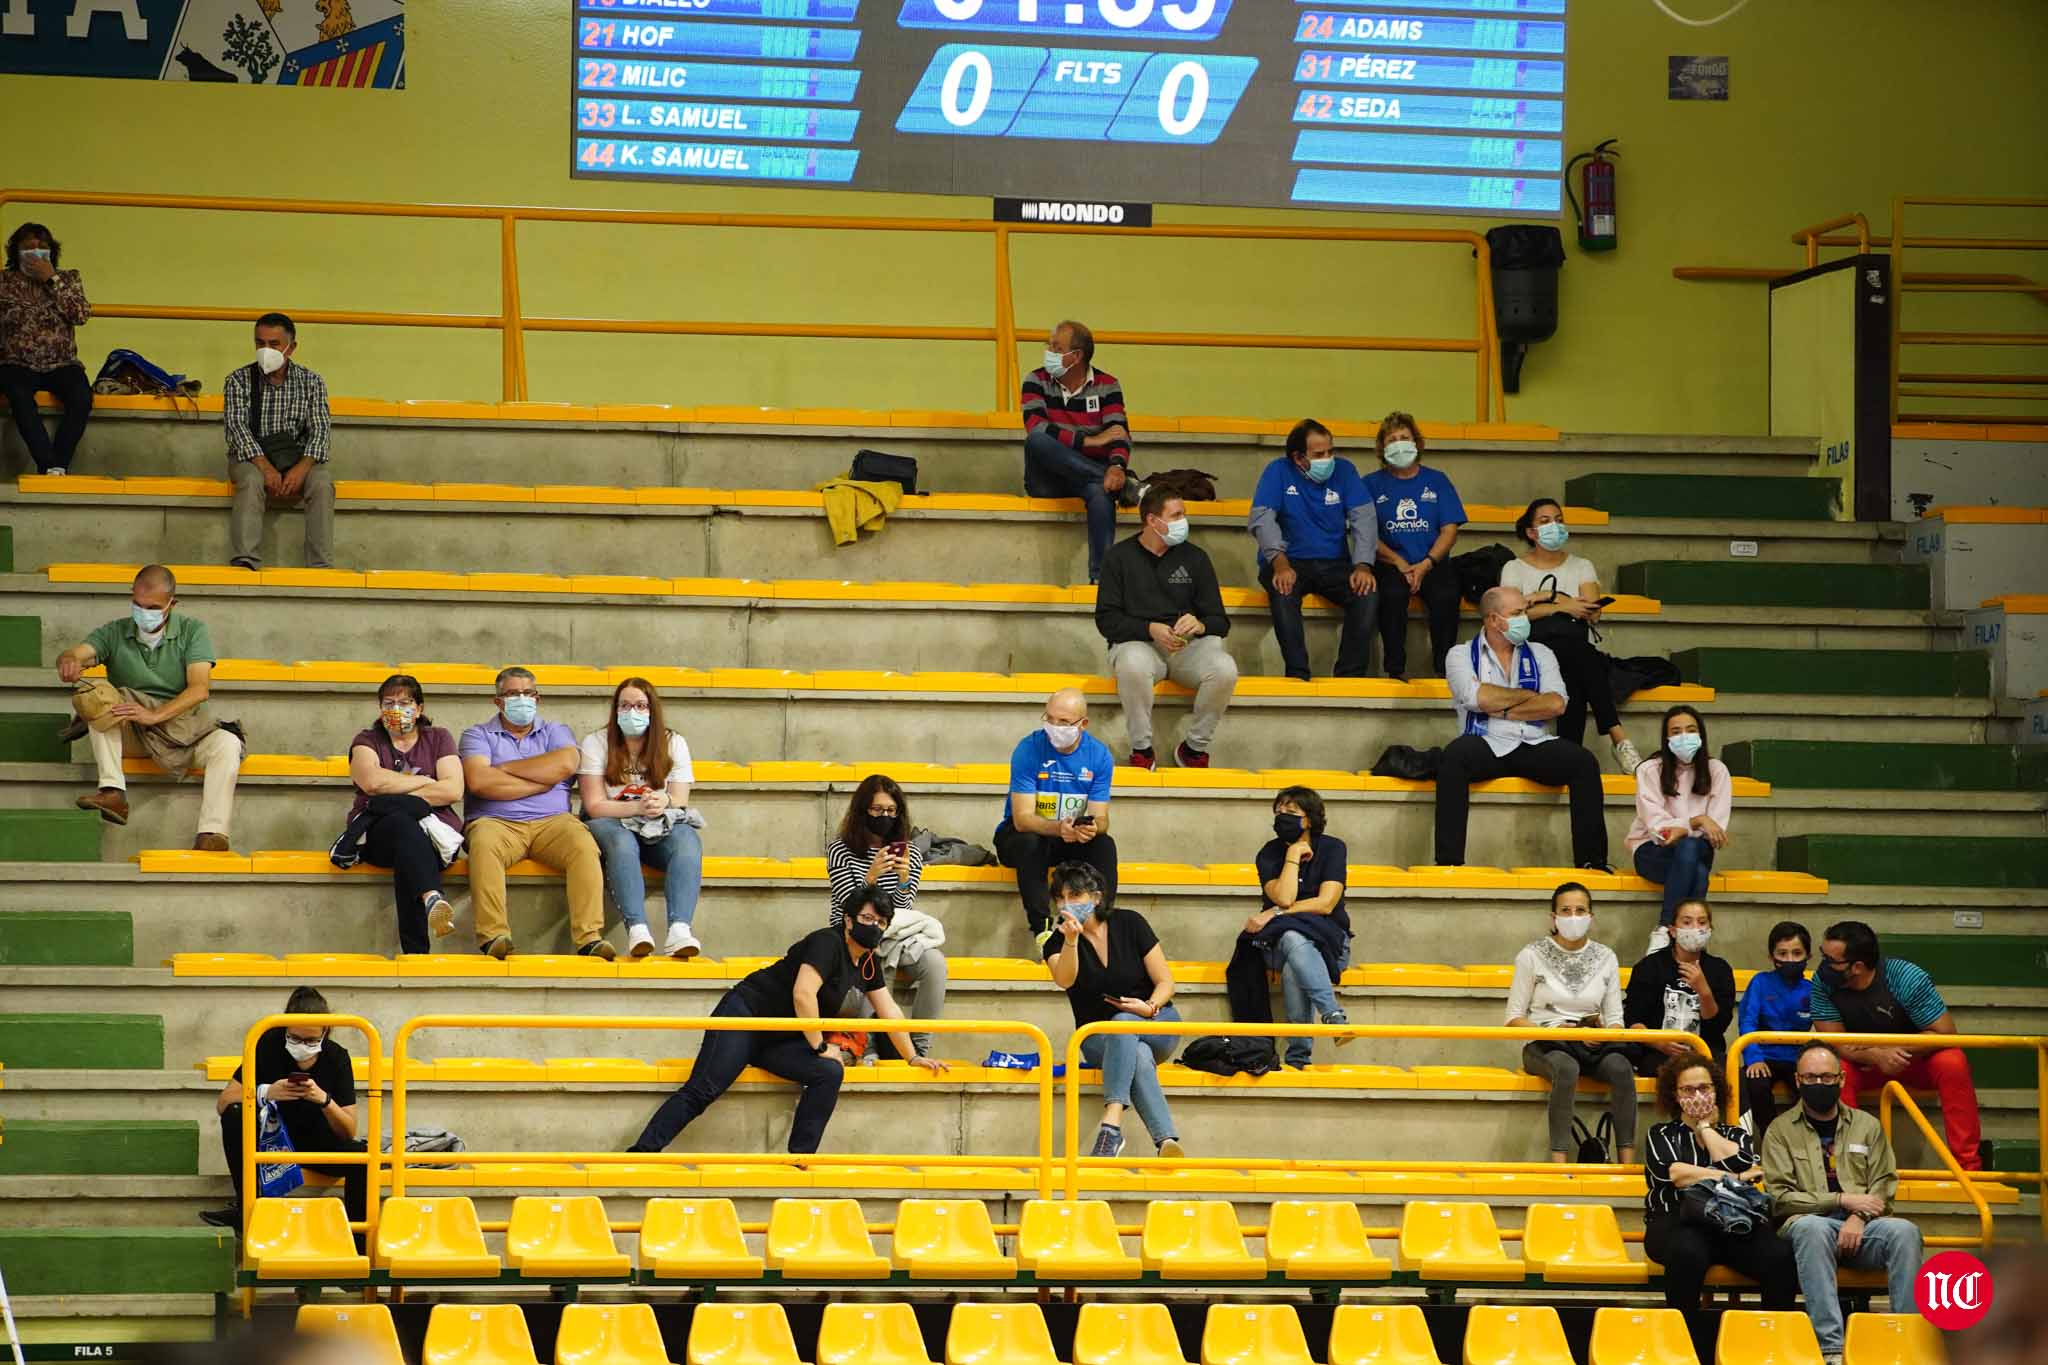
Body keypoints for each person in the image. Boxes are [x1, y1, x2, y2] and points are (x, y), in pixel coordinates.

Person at [627, 886, 945, 1154]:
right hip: (747, 1016)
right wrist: (820, 1045)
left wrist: (913, 1056)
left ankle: (796, 1163)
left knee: (828, 1073)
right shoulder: (827, 942)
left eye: (880, 922)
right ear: (848, 920)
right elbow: (803, 995)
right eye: (866, 918)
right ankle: (639, 1156)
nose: (873, 926)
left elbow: (889, 1010)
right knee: (703, 1090)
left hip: (783, 1036)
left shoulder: (868, 962)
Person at [55, 564, 244, 851]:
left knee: (228, 743)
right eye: (137, 604)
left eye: (152, 606)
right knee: (96, 701)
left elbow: (199, 688)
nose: (144, 612)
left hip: (180, 732)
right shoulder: (115, 631)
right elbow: (77, 653)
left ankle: (212, 834)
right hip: (131, 730)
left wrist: (154, 714)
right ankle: (113, 792)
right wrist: (68, 660)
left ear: (171, 604)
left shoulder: (193, 631)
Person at [1765, 1040, 1925, 1365]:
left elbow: (1883, 1184)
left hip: (1863, 1230)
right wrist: (1840, 1199)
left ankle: (1907, 1341)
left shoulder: (1867, 1126)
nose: (1819, 1084)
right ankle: (1831, 1350)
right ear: (1797, 1081)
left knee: (1905, 1232)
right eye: (1810, 1078)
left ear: (1841, 1079)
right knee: (1812, 1228)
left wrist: (1858, 1217)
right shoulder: (1779, 1131)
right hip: (1809, 1229)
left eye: (1826, 1077)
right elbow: (1780, 1198)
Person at [1436, 585, 1608, 870]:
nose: (1524, 619)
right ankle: (1449, 863)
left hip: (1533, 742)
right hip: (1484, 741)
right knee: (1453, 757)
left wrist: (1501, 707)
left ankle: (1592, 862)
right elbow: (1475, 697)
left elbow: (1556, 704)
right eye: (1517, 614)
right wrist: (1529, 696)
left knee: (1584, 762)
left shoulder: (1541, 653)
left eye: (1524, 612)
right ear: (1493, 620)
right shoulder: (1460, 654)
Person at [459, 667, 610, 960]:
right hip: (495, 822)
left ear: (537, 698)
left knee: (583, 845)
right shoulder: (477, 735)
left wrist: (502, 769)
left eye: (528, 693)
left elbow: (566, 764)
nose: (522, 699)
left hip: (554, 823)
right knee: (484, 845)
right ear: (498, 701)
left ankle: (589, 938)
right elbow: (479, 781)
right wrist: (542, 781)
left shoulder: (556, 731)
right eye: (513, 694)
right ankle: (493, 936)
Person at [1814, 920, 1982, 1170]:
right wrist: (1876, 1055)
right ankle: (1846, 1167)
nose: (1824, 965)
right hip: (1863, 1063)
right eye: (1823, 956)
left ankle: (1968, 1166)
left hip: (1913, 1060)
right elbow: (1835, 1041)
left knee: (1952, 1061)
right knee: (1835, 1069)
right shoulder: (1822, 983)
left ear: (1857, 966)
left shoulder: (1904, 977)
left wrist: (1895, 1051)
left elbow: (1945, 1033)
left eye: (1832, 961)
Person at [1043, 862, 1184, 1160]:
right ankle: (1166, 1140)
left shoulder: (1131, 923)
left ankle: (1111, 1124)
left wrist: (1149, 1007)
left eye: (1076, 895)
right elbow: (1065, 979)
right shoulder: (1056, 942)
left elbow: (1166, 982)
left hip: (1157, 1021)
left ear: (1096, 897)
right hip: (1097, 1037)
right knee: (1134, 1048)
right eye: (1061, 897)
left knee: (1125, 1025)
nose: (1068, 903)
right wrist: (1071, 941)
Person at [200, 986, 366, 1235]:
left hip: (317, 1139)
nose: (302, 1045)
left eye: (311, 1040)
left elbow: (349, 1130)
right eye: (295, 1038)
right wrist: (265, 1092)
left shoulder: (337, 1057)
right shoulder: (267, 1044)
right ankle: (247, 1209)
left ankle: (358, 1239)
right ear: (285, 1030)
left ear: (325, 1033)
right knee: (236, 1114)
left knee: (361, 1156)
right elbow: (224, 1102)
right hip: (273, 1139)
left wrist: (324, 1100)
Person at [1641, 1053, 1799, 1311]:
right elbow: (1676, 1175)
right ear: (1675, 1094)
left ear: (1716, 1090)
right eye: (1688, 1090)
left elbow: (1740, 1162)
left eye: (1704, 1088)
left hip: (1731, 1219)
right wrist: (1734, 1178)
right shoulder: (1661, 1133)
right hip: (1676, 1220)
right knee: (1687, 1254)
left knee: (1779, 1256)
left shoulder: (1736, 1134)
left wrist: (1705, 1128)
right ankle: (1686, 1341)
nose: (1697, 1095)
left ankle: (1773, 1337)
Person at [1097, 484, 1237, 769]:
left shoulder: (1195, 558)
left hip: (1189, 649)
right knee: (1132, 663)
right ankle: (1142, 748)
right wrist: (1149, 628)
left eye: (1183, 514)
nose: (1183, 522)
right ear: (1152, 520)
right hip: (1140, 645)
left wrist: (1199, 624)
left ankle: (1194, 748)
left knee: (1225, 669)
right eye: (1176, 516)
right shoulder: (1118, 557)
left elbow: (1220, 621)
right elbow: (1107, 620)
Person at [1500, 498, 1641, 771]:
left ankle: (1569, 756)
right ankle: (1617, 738)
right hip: (1531, 647)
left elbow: (1593, 611)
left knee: (1574, 666)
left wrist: (1540, 602)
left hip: (1572, 649)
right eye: (1545, 521)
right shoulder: (1514, 568)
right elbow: (1511, 614)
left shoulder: (1581, 565)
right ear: (1531, 532)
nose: (1555, 525)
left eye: (1559, 519)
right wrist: (1561, 603)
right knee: (1582, 657)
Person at [1506, 883, 1636, 1164]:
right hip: (1545, 1043)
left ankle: (1627, 1163)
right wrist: (1550, 1031)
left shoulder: (1606, 957)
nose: (1573, 916)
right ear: (1553, 917)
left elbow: (1616, 1020)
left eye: (1580, 910)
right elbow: (1514, 1018)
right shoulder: (1530, 955)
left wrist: (1601, 1034)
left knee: (1622, 1068)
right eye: (1566, 911)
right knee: (1566, 1067)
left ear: (1591, 916)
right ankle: (1559, 1163)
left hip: (1592, 1044)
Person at [577, 676, 704, 960]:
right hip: (610, 820)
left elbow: (680, 798)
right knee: (622, 844)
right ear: (615, 709)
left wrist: (664, 800)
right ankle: (637, 928)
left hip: (656, 821)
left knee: (687, 840)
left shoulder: (674, 742)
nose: (631, 712)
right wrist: (636, 809)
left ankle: (679, 929)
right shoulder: (596, 742)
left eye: (640, 705)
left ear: (652, 710)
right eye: (624, 706)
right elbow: (595, 805)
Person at [341, 674, 464, 955]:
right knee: (400, 825)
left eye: (405, 702)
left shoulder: (439, 738)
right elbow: (371, 782)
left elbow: (454, 789)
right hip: (377, 836)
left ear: (419, 708)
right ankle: (431, 897)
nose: (396, 709)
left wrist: (394, 794)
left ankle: (417, 945)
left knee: (405, 831)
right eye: (389, 703)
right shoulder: (367, 740)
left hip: (435, 835)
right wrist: (429, 783)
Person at [825, 775, 947, 1057]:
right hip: (853, 933)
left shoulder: (910, 853)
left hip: (894, 933)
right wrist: (871, 877)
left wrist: (903, 879)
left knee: (935, 964)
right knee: (871, 955)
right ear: (862, 811)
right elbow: (848, 905)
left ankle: (919, 1045)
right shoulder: (840, 850)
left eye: (891, 811)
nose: (885, 816)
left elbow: (903, 909)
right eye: (877, 810)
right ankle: (866, 1044)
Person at [1249, 418, 1378, 680]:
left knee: (1368, 593)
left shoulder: (1345, 471)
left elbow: (1364, 518)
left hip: (1334, 564)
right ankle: (1297, 674)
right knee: (1282, 590)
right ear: (1298, 457)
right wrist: (1280, 563)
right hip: (1288, 561)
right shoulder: (1278, 471)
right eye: (1319, 454)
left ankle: (1349, 676)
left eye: (1330, 451)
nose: (1328, 458)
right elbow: (1262, 518)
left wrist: (1363, 564)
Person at [994, 687, 1119, 942]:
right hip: (1022, 835)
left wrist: (1092, 828)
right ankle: (1042, 931)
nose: (1054, 726)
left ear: (1082, 724)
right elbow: (1022, 818)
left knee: (1104, 845)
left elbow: (1102, 818)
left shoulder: (1099, 756)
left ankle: (1101, 925)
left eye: (1063, 722)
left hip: (1070, 836)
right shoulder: (1029, 749)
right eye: (1049, 718)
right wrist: (1058, 828)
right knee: (1030, 842)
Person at [1246, 786, 1351, 1069]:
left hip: (1329, 942)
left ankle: (1298, 1057)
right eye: (1279, 811)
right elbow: (1284, 896)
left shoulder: (1332, 848)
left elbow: (1327, 904)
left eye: (1291, 812)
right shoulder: (1269, 854)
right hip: (1275, 946)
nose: (1282, 816)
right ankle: (1332, 1016)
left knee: (1295, 953)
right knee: (1292, 937)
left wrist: (1275, 913)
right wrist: (1293, 856)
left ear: (1310, 819)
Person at [1022, 320, 1131, 585]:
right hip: (1046, 479)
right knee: (1036, 441)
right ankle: (1124, 486)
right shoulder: (1035, 380)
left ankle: (1100, 582)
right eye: (1048, 345)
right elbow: (1037, 427)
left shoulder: (1108, 385)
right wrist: (1088, 442)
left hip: (1086, 478)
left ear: (1077, 355)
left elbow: (1119, 434)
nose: (1049, 351)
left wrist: (1117, 467)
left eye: (1056, 347)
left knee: (1101, 490)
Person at [222, 312, 333, 572]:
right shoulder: (238, 380)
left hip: (297, 457)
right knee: (250, 481)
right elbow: (237, 430)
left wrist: (302, 468)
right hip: (251, 458)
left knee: (323, 483)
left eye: (274, 344)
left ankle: (321, 566)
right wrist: (265, 466)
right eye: (260, 343)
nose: (266, 350)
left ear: (291, 347)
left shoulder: (312, 382)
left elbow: (320, 432)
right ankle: (246, 561)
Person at [1363, 412, 1464, 678]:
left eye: (1404, 438)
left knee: (1446, 597)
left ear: (1416, 443)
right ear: (1382, 448)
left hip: (1433, 562)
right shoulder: (1370, 484)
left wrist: (1426, 564)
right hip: (1390, 563)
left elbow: (1449, 530)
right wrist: (1399, 562)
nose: (1398, 443)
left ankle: (1446, 673)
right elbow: (1366, 534)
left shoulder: (1437, 480)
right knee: (1392, 596)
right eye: (1391, 439)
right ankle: (1395, 670)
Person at [1626, 705, 1731, 954]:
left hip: (1699, 848)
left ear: (1702, 735)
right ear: (1666, 738)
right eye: (1676, 731)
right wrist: (1695, 821)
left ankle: (1664, 928)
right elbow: (1659, 829)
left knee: (1692, 847)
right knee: (1698, 869)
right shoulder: (1649, 769)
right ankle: (1693, 936)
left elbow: (1715, 831)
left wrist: (1688, 828)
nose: (1684, 736)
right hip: (1652, 853)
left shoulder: (1717, 771)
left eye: (1690, 730)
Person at [0, 222, 92, 477]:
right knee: (18, 396)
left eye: (42, 247)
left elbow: (80, 315)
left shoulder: (68, 279)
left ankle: (59, 465)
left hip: (62, 363)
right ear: (15, 252)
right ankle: (47, 463)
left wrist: (51, 279)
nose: (36, 251)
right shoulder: (3, 281)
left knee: (81, 397)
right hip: (16, 362)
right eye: (28, 247)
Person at [1625, 898, 1737, 1076]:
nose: (1695, 928)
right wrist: (1659, 1043)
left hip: (1705, 1053)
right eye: (1687, 922)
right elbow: (1632, 1020)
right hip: (1658, 1054)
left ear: (1709, 930)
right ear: (1673, 931)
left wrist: (1704, 991)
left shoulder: (1719, 969)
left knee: (1729, 1073)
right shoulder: (1650, 967)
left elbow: (1718, 1027)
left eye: (1702, 922)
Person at [1739, 922, 1815, 1134]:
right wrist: (1754, 1058)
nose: (1790, 959)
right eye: (1782, 953)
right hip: (1764, 1057)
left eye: (1797, 953)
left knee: (1814, 1086)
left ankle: (1804, 1141)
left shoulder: (1812, 990)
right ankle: (1770, 1137)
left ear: (1808, 956)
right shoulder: (1760, 982)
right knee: (1752, 1084)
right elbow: (1747, 1021)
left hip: (1798, 1060)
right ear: (1772, 956)